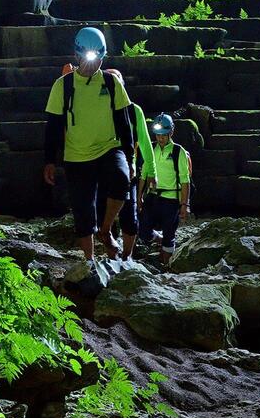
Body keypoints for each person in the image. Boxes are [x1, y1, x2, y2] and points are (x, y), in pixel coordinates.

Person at [42, 27, 134, 260]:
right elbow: (53, 126)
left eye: (99, 58)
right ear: (77, 55)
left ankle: (105, 231)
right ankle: (89, 261)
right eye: (89, 58)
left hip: (108, 148)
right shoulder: (63, 86)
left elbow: (124, 124)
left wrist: (131, 159)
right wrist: (49, 161)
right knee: (83, 211)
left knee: (121, 179)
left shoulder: (112, 83)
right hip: (77, 155)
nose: (93, 64)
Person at [103, 69, 156, 261]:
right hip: (103, 171)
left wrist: (152, 171)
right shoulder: (98, 109)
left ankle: (127, 256)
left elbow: (145, 142)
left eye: (117, 80)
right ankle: (111, 255)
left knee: (129, 215)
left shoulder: (134, 110)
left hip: (128, 171)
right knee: (103, 215)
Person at [138, 113, 191, 267]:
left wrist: (184, 205)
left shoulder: (177, 151)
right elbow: (144, 175)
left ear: (171, 133)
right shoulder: (151, 149)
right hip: (153, 196)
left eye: (163, 135)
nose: (160, 138)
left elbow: (185, 180)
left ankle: (166, 266)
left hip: (171, 199)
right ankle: (158, 240)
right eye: (158, 135)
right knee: (143, 231)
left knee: (169, 234)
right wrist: (139, 197)